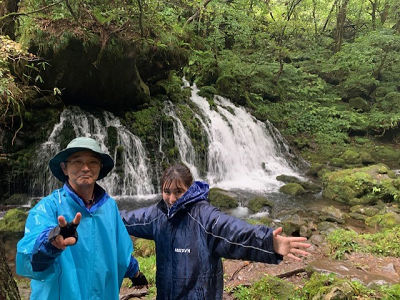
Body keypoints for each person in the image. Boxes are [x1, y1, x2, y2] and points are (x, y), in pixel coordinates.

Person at [121, 163, 311, 300]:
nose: (171, 198)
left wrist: (269, 242)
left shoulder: (204, 217)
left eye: (178, 191)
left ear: (189, 189)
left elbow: (236, 233)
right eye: (166, 191)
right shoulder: (158, 215)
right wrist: (99, 215)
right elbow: (125, 220)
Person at [16, 137, 147, 300]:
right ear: (64, 168)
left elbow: (119, 251)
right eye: (77, 161)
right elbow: (30, 256)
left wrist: (135, 273)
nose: (85, 168)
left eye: (93, 162)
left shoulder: (109, 207)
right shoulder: (49, 207)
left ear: (100, 168)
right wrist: (51, 241)